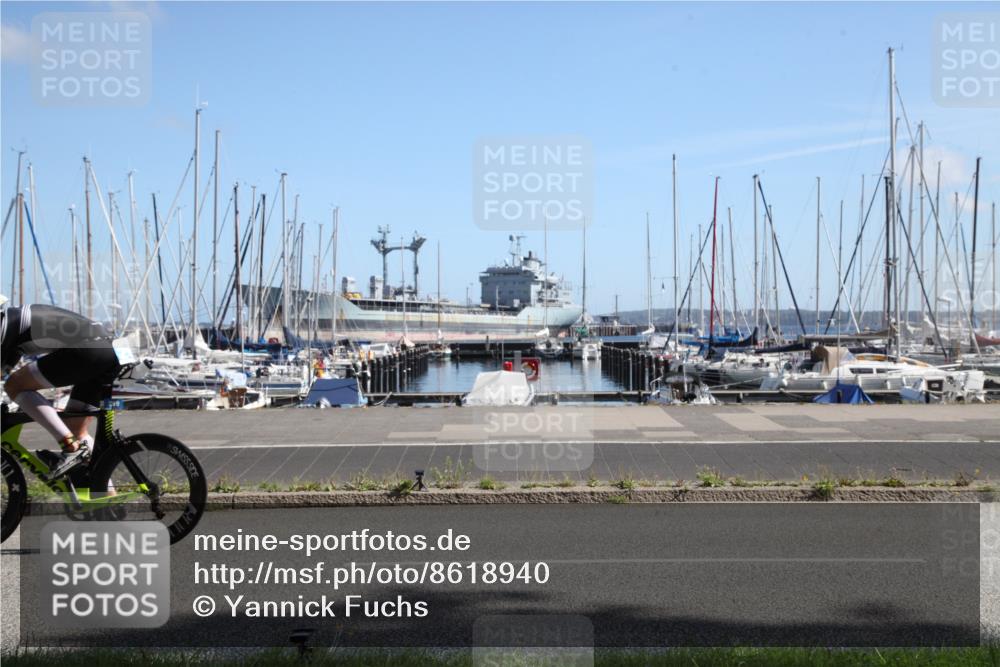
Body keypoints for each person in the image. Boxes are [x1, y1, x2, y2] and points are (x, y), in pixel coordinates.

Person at [0, 299, 122, 479]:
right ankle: (106, 501)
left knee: (14, 385)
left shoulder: (6, 324)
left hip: (89, 350)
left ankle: (70, 448)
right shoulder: (14, 328)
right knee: (77, 432)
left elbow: (8, 382)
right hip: (108, 351)